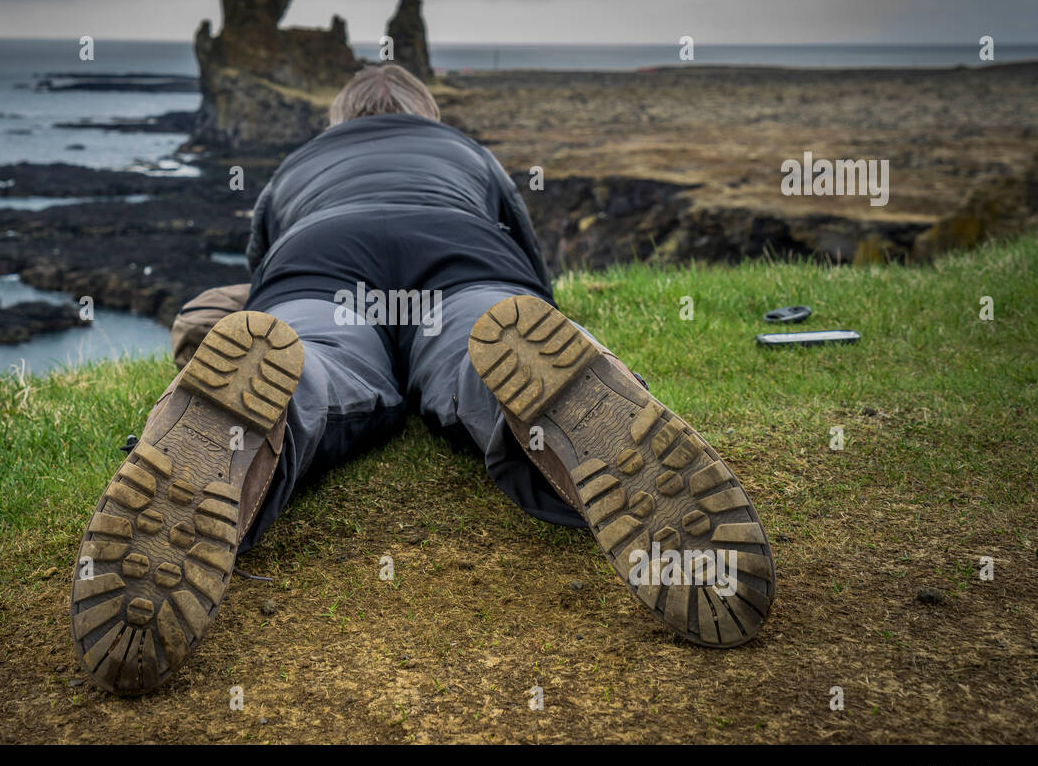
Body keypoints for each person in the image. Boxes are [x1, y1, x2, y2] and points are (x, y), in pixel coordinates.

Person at [69, 64, 776, 695]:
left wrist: (258, 313)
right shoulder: (466, 151)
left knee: (314, 354)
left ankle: (261, 407)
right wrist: (531, 305)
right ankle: (570, 397)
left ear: (341, 120)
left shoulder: (299, 164)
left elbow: (262, 273)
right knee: (487, 345)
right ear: (426, 115)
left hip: (324, 263)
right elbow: (530, 258)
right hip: (460, 259)